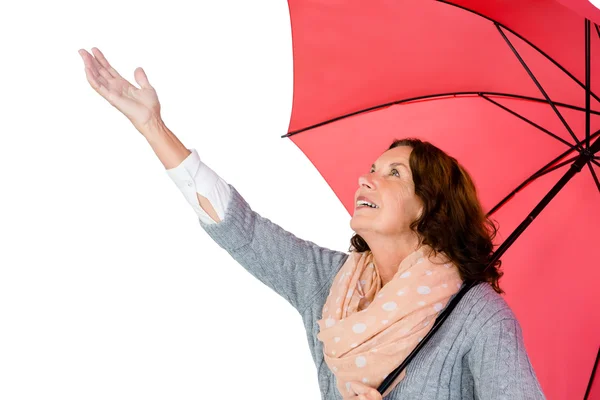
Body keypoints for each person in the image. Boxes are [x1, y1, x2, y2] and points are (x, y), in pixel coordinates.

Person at [78, 47, 546, 400]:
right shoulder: (328, 284)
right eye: (372, 168)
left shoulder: (480, 318)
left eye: (393, 174)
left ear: (428, 207)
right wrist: (154, 128)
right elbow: (244, 231)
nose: (367, 178)